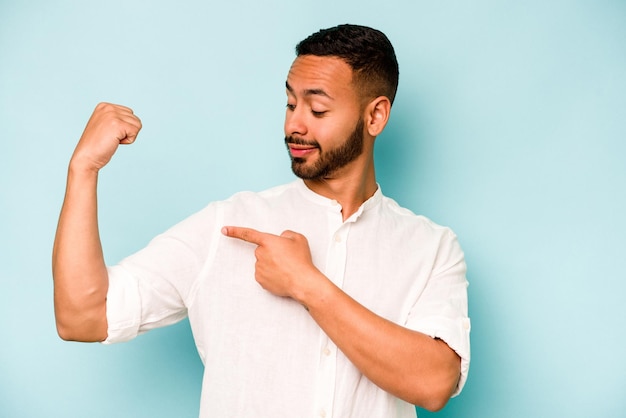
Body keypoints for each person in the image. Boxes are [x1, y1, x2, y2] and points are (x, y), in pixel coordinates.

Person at [53, 24, 470, 417]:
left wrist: (306, 284)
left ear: (375, 116)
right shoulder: (228, 227)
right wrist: (83, 169)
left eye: (318, 109)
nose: (294, 124)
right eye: (290, 103)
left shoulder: (430, 246)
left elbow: (434, 383)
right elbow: (83, 316)